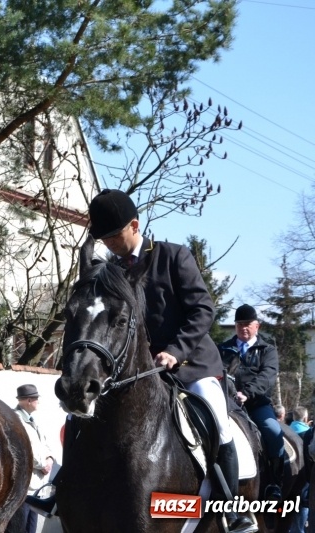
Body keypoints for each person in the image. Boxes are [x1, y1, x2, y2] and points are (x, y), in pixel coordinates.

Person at [88, 189, 252, 533]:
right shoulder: (110, 271)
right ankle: (69, 490)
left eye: (114, 236)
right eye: (104, 239)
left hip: (190, 364)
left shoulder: (173, 256)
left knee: (217, 421)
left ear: (135, 226)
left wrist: (176, 351)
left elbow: (203, 310)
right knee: (88, 417)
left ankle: (233, 510)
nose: (110, 244)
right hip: (135, 371)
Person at [218, 304, 284, 501]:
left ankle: (274, 482)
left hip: (256, 404)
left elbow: (267, 376)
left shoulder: (267, 350)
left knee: (273, 431)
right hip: (227, 404)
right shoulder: (223, 349)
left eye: (247, 324)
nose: (243, 328)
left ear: (257, 326)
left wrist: (247, 393)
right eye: (239, 324)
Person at [13, 384, 54, 533]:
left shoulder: (33, 420)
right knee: (20, 528)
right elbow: (24, 449)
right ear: (29, 400)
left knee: (31, 528)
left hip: (36, 488)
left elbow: (45, 444)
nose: (38, 402)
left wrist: (49, 458)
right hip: (24, 488)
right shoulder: (16, 419)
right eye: (36, 399)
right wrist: (43, 464)